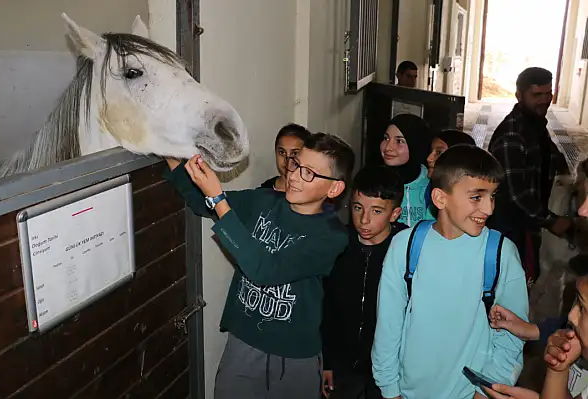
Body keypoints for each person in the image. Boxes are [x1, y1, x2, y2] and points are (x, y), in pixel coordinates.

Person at [163, 132, 355, 398]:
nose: (296, 176)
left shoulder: (332, 236)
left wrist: (219, 199)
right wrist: (166, 150)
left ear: (334, 188)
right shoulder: (264, 201)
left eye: (309, 173)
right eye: (296, 165)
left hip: (295, 359)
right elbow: (201, 202)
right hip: (243, 344)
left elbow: (264, 270)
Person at [371, 145, 529, 399]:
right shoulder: (406, 245)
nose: (488, 209)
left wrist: (485, 392)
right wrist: (390, 389)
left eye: (493, 196)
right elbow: (389, 326)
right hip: (407, 393)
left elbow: (512, 337)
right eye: (477, 197)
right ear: (440, 198)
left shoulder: (500, 253)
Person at [321, 165, 407, 399]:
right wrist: (327, 361)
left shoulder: (406, 252)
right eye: (358, 208)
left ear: (395, 213)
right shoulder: (338, 244)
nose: (364, 219)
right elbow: (326, 307)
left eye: (377, 211)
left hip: (389, 370)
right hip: (342, 365)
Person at [488, 67, 572, 286]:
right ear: (519, 95)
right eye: (537, 95)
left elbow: (551, 156)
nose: (545, 100)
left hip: (529, 226)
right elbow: (517, 195)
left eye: (548, 94)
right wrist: (552, 221)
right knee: (514, 284)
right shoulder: (512, 135)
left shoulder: (534, 126)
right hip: (512, 229)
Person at [380, 113, 434, 227]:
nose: (388, 147)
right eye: (386, 138)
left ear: (415, 145)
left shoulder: (431, 185)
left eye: (399, 141)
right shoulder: (374, 182)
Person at [260, 123, 312, 191]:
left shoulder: (313, 194)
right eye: (282, 152)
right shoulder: (263, 192)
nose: (287, 160)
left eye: (295, 153)